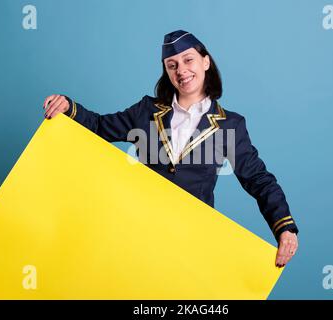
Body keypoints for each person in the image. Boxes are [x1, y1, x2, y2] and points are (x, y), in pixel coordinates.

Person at [42, 30, 299, 268]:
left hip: (191, 242)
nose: (182, 71)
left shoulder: (229, 125)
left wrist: (284, 228)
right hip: (136, 233)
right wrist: (68, 107)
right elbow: (99, 126)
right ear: (167, 71)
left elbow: (257, 179)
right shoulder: (146, 111)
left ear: (205, 62)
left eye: (188, 60)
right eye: (172, 65)